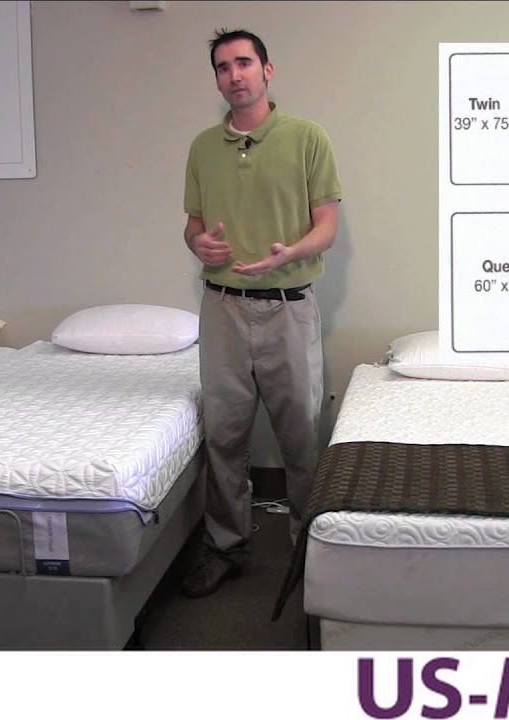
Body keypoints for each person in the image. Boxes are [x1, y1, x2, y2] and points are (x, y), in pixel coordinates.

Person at [179, 28, 342, 598]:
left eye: (244, 63)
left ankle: (309, 549)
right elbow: (193, 226)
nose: (235, 75)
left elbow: (327, 226)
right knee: (224, 436)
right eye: (223, 67)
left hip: (288, 308)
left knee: (302, 436)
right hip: (222, 308)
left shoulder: (307, 137)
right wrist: (198, 244)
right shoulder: (203, 147)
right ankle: (226, 544)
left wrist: (291, 252)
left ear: (267, 70)